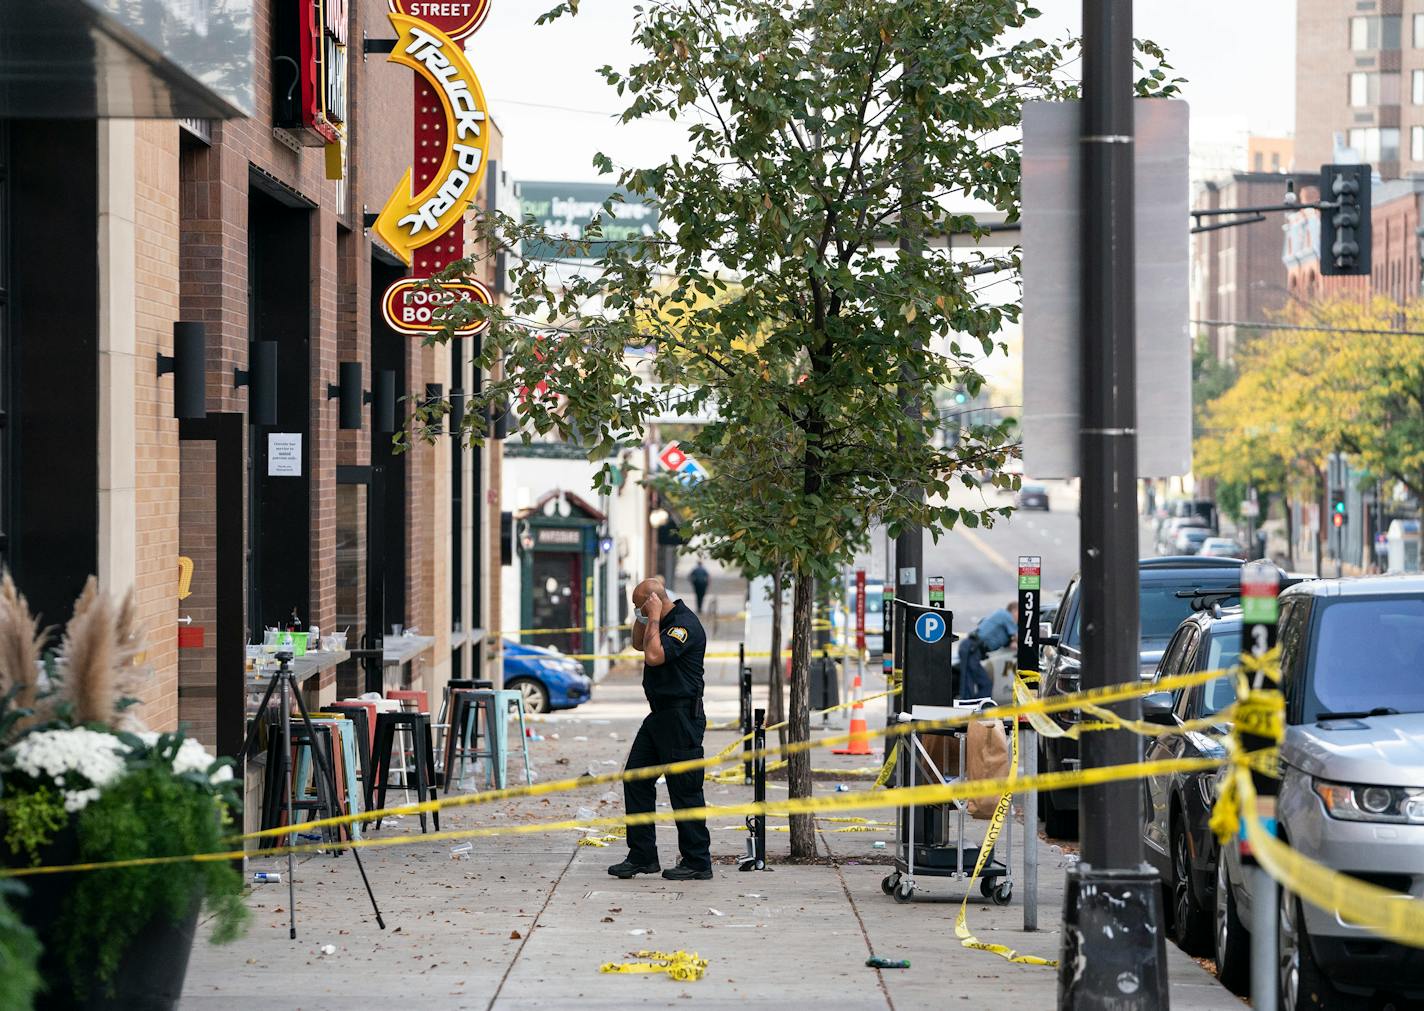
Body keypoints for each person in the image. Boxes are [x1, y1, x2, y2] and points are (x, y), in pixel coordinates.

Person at [607, 577, 713, 881]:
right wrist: (645, 617)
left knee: (685, 789)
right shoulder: (658, 621)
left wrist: (652, 616)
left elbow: (653, 656)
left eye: (639, 607)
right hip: (659, 716)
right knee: (636, 779)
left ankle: (697, 861)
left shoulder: (683, 625)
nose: (637, 614)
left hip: (682, 718)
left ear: (654, 601)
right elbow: (638, 643)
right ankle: (642, 856)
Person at [958, 601, 1018, 699]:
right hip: (972, 648)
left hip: (973, 649)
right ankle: (972, 708)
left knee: (977, 684)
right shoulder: (1006, 616)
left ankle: (973, 707)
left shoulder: (1000, 619)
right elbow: (1016, 636)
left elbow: (983, 623)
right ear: (1014, 610)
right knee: (972, 685)